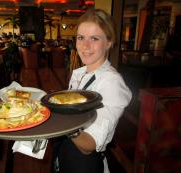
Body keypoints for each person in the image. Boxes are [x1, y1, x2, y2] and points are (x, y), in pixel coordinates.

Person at [52, 8, 132, 173]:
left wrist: (62, 118)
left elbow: (88, 145)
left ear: (109, 42)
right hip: (65, 155)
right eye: (81, 38)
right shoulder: (80, 74)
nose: (85, 46)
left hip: (84, 163)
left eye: (94, 38)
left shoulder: (111, 83)